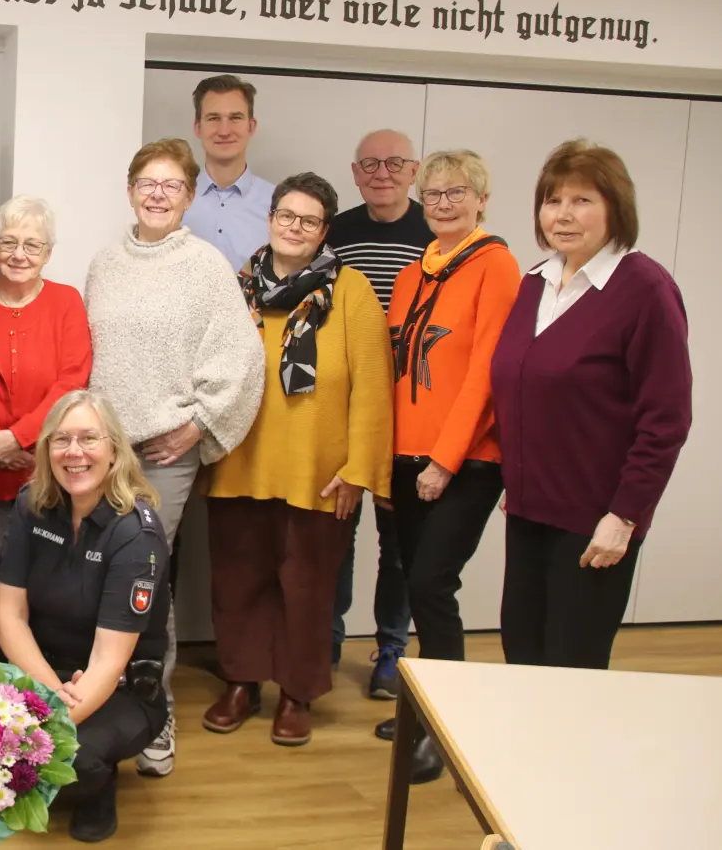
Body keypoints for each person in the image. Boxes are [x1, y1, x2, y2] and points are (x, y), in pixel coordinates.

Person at [84, 137, 264, 776]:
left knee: (142, 585)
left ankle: (155, 717)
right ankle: (96, 712)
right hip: (98, 454)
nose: (157, 194)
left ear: (189, 196)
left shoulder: (206, 265)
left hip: (163, 454)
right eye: (146, 182)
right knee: (92, 581)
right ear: (130, 188)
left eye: (171, 185)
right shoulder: (104, 263)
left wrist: (201, 425)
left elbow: (243, 356)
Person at [204, 172, 392, 747]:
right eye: (287, 215)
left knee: (308, 589)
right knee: (237, 582)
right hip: (239, 461)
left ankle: (296, 693)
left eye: (309, 220)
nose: (295, 227)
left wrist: (360, 469)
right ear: (270, 219)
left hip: (320, 472)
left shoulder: (352, 291)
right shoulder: (236, 287)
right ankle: (241, 682)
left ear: (324, 231)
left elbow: (374, 386)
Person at [491, 139, 692, 671]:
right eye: (553, 200)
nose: (563, 215)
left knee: (572, 667)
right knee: (524, 654)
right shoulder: (534, 282)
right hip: (530, 510)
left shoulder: (645, 288)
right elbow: (521, 387)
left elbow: (666, 421)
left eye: (582, 201)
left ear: (615, 209)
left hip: (596, 520)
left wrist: (625, 516)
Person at [371, 149, 519, 781]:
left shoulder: (497, 266)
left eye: (456, 193)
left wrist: (445, 460)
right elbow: (392, 371)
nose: (443, 204)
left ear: (481, 199)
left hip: (466, 461)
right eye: (432, 195)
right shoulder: (412, 273)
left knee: (433, 583)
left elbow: (488, 373)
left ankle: (444, 726)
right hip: (406, 456)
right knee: (410, 577)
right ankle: (420, 706)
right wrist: (388, 462)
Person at [0, 389, 169, 843]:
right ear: (46, 448)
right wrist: (47, 697)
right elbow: (9, 616)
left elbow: (109, 662)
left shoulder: (136, 532)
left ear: (113, 449)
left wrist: (43, 727)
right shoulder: (31, 504)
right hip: (43, 674)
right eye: (61, 439)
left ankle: (97, 783)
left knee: (70, 758)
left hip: (118, 687)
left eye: (89, 439)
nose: (74, 452)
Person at [0, 195, 91, 661]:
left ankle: (39, 705)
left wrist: (22, 438)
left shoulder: (66, 302)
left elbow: (73, 379)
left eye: (32, 244)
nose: (18, 254)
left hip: (47, 476)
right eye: (8, 242)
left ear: (48, 252)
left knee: (45, 598)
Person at [325, 129, 433, 697]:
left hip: (412, 411)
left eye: (394, 163)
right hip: (344, 410)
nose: (382, 173)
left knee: (399, 540)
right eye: (370, 163)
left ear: (413, 170)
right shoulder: (336, 232)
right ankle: (328, 643)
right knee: (338, 531)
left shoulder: (433, 232)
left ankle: (392, 648)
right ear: (355, 170)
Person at [179, 75, 274, 273]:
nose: (224, 131)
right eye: (213, 118)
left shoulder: (279, 205)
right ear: (198, 128)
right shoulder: (173, 200)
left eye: (235, 118)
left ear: (251, 126)